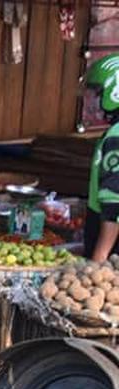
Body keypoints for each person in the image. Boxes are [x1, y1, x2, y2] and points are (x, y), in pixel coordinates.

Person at [83, 54, 119, 261]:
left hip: (112, 251)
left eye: (97, 93)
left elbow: (114, 204)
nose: (93, 101)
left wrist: (100, 256)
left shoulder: (116, 136)